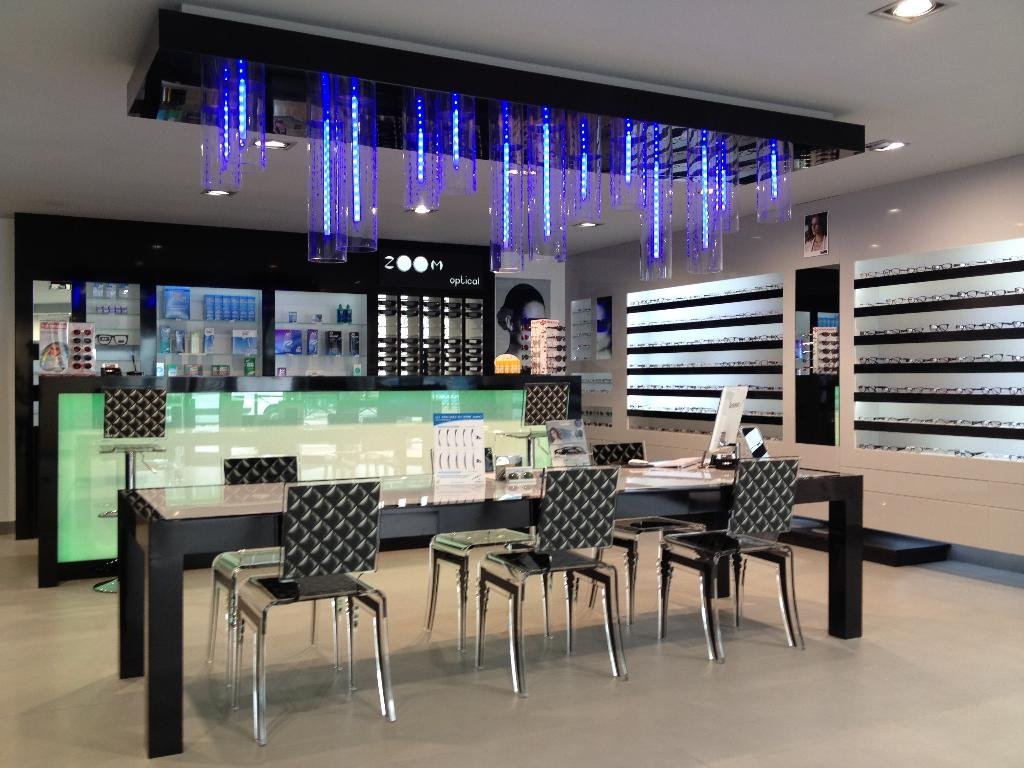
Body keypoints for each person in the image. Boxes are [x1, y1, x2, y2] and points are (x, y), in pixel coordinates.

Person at [496, 283, 547, 369]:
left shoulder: (541, 368)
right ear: (509, 322)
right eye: (531, 324)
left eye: (542, 324)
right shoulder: (499, 368)